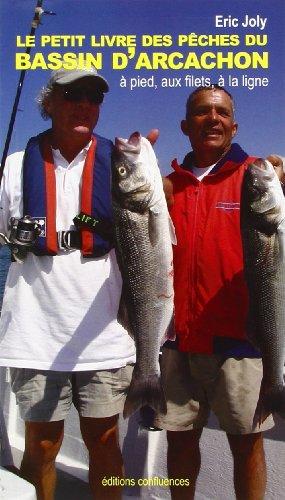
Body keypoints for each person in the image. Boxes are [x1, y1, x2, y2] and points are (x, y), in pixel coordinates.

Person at [0, 67, 137, 500]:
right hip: (35, 332)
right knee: (41, 445)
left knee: (104, 443)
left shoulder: (124, 165)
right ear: (49, 103)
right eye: (72, 93)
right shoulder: (15, 167)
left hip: (105, 335)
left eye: (94, 97)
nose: (84, 104)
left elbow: (146, 222)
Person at [155, 84, 281, 500]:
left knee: (246, 446)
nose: (213, 118)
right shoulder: (167, 187)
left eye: (222, 112)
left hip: (241, 341)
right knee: (180, 444)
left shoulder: (259, 181)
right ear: (185, 125)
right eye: (202, 111)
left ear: (234, 124)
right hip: (178, 339)